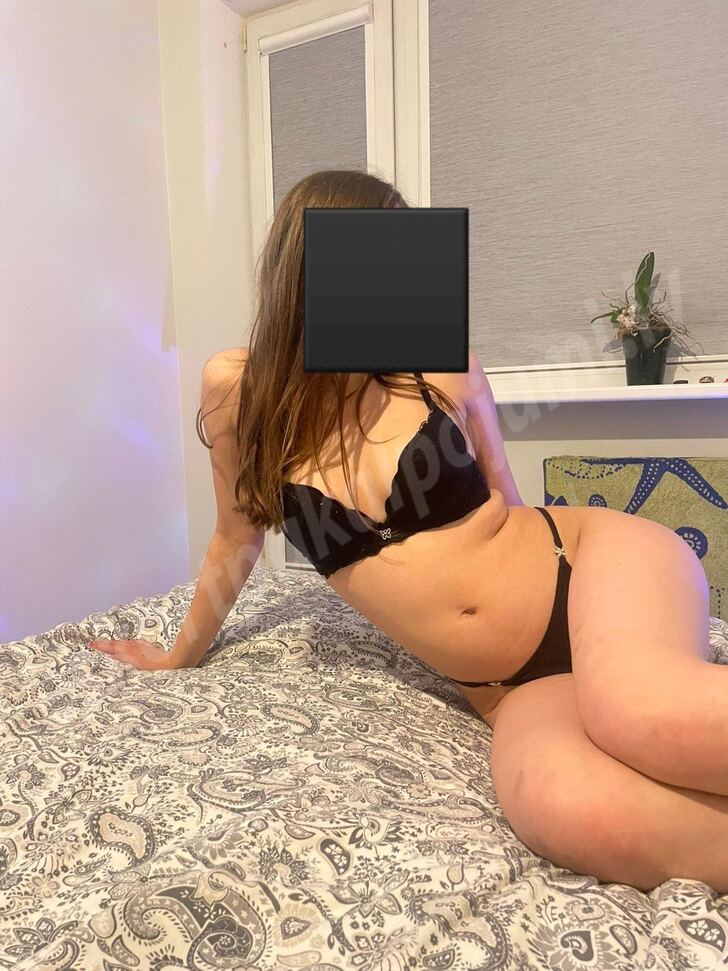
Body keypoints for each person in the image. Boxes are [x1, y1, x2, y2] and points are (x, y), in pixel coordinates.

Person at [89, 169, 728, 894]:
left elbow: (511, 505)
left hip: (585, 564)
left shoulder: (441, 367)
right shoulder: (240, 391)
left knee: (637, 711)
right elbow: (236, 537)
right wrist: (178, 656)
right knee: (567, 807)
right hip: (503, 688)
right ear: (309, 269)